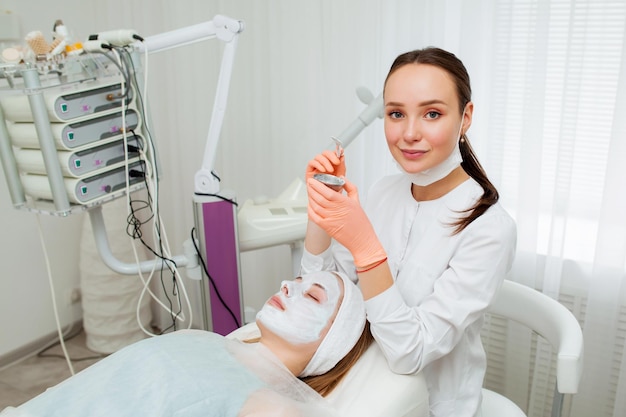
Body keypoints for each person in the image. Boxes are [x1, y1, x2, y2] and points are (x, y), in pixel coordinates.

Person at [303, 47, 517, 417]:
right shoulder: (383, 192)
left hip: (430, 407)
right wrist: (322, 210)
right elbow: (329, 300)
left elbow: (410, 352)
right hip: (357, 385)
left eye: (432, 113)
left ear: (465, 117)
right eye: (396, 114)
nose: (409, 133)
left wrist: (366, 248)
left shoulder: (489, 228)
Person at [0, 271, 372, 417]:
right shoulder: (198, 338)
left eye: (313, 297)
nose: (288, 286)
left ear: (332, 343)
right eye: (296, 279)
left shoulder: (273, 407)